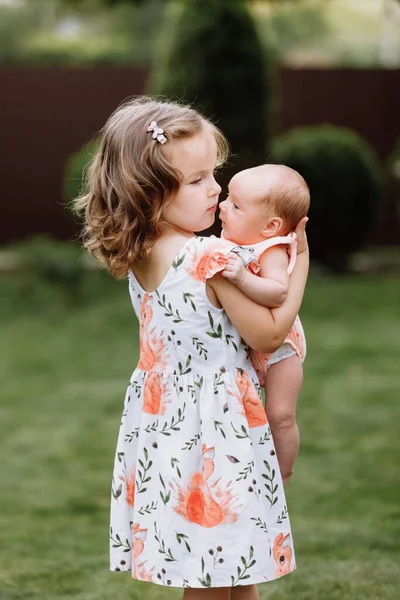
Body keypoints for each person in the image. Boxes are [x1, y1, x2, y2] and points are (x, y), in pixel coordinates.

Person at [74, 96, 309, 600]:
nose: (216, 188)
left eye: (214, 174)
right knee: (216, 571)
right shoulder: (207, 255)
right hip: (217, 428)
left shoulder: (143, 250)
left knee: (224, 565)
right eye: (198, 179)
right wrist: (302, 263)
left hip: (167, 426)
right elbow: (268, 334)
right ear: (151, 191)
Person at [218, 164, 309, 487]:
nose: (222, 206)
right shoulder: (231, 241)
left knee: (280, 416)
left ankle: (283, 473)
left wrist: (242, 277)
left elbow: (277, 292)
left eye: (235, 205)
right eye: (228, 198)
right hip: (250, 348)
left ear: (271, 227)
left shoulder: (270, 250)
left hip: (282, 352)